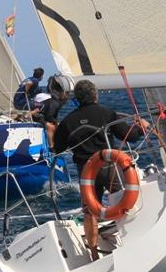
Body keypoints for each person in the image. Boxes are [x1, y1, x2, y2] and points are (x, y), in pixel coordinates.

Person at [53, 80, 149, 260]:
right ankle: (133, 242)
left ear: (76, 98)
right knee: (124, 202)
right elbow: (128, 136)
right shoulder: (107, 113)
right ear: (95, 95)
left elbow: (58, 148)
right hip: (110, 167)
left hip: (86, 172)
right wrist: (141, 128)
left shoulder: (68, 121)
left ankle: (94, 254)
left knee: (90, 212)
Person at [32, 74, 73, 138]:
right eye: (67, 93)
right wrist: (56, 123)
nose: (67, 96)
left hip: (37, 118)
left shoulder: (43, 97)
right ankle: (52, 146)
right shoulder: (54, 102)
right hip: (38, 120)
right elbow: (49, 116)